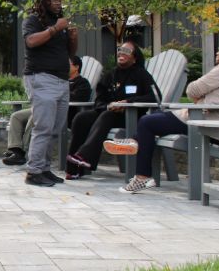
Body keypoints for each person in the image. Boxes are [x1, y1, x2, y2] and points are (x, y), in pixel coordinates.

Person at [105, 35, 219, 193]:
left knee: (147, 122)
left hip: (205, 122)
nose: (217, 52)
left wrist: (202, 99)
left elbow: (192, 90)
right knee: (151, 120)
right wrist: (205, 98)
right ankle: (134, 142)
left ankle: (142, 176)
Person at [65, 41, 157, 180]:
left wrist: (128, 102)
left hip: (131, 117)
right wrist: (110, 105)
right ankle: (74, 168)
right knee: (81, 118)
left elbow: (155, 96)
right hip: (109, 113)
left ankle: (84, 155)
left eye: (127, 51)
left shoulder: (141, 74)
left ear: (135, 57)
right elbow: (99, 100)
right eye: (120, 50)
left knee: (107, 116)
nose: (121, 53)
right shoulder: (110, 75)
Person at [21, 0, 78, 186]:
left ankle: (44, 168)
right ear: (44, 0)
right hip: (41, 78)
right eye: (54, 0)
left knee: (56, 128)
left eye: (60, 0)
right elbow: (31, 42)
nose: (58, 3)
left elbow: (70, 53)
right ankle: (33, 172)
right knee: (43, 127)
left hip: (62, 81)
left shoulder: (59, 21)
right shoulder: (33, 20)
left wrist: (72, 38)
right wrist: (55, 29)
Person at [3, 55, 92, 165]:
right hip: (46, 109)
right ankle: (15, 149)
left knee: (35, 115)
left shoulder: (82, 83)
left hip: (63, 115)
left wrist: (55, 96)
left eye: (66, 64)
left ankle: (23, 153)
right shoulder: (59, 81)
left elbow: (77, 98)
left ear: (76, 67)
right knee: (16, 116)